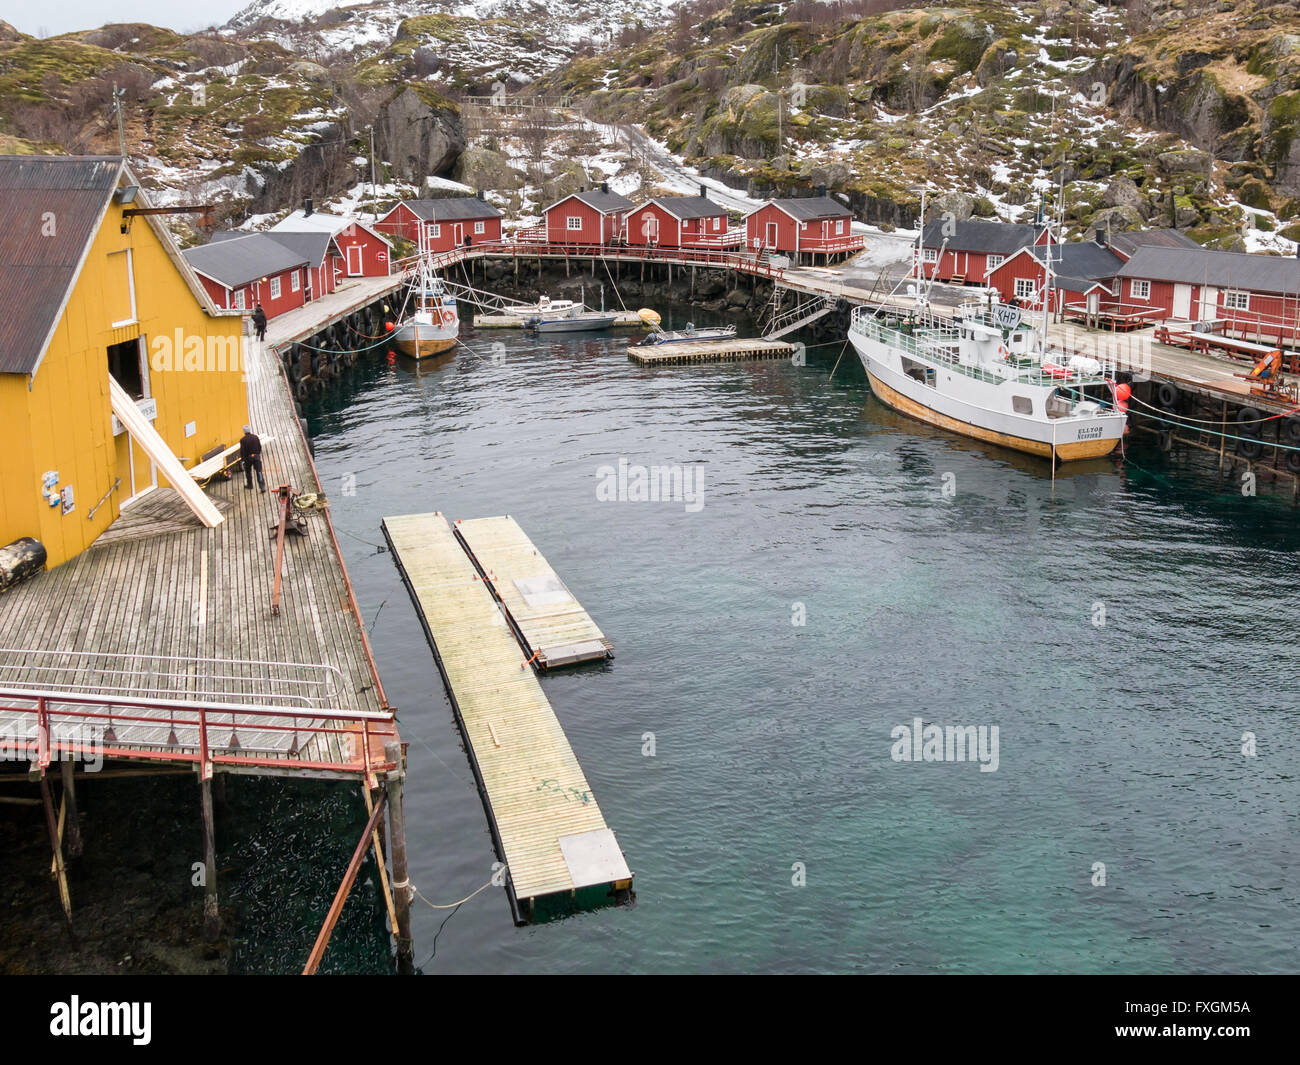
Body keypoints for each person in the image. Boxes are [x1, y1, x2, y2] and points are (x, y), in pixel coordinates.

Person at [239, 425, 266, 492]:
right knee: (259, 472)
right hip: (256, 457)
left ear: (244, 431)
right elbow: (259, 447)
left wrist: (243, 460)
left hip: (248, 458)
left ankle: (250, 485)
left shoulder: (243, 440)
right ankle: (262, 486)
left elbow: (242, 451)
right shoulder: (255, 437)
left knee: (248, 472)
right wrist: (257, 454)